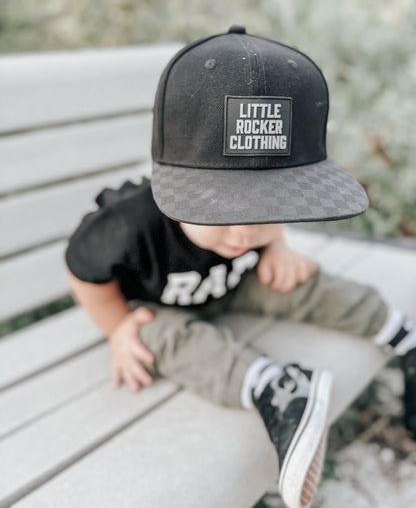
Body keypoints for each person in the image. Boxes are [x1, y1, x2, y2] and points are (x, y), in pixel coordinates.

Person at [66, 26, 416, 508]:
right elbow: (82, 271)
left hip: (234, 283)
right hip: (156, 306)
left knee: (302, 282)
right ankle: (278, 390)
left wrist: (276, 248)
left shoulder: (254, 241)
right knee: (164, 338)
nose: (243, 234)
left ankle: (399, 332)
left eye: (268, 211)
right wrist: (117, 327)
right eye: (223, 211)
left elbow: (265, 226)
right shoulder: (125, 225)